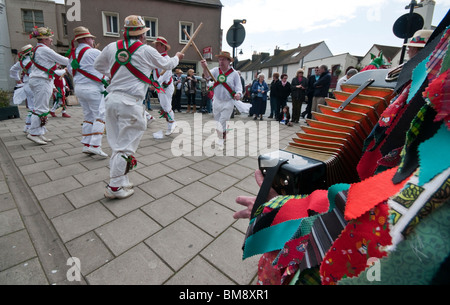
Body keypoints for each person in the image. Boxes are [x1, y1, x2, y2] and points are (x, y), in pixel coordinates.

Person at [94, 15, 183, 199]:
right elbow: (167, 64)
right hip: (130, 103)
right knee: (124, 147)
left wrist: (116, 74)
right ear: (142, 35)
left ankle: (122, 180)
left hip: (111, 101)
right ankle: (115, 187)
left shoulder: (112, 47)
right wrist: (177, 57)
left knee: (117, 144)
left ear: (125, 33)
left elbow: (97, 66)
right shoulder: (146, 50)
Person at [67, 26, 109, 158]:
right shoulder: (94, 52)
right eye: (91, 38)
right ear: (85, 38)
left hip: (79, 88)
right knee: (100, 115)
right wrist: (106, 78)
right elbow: (108, 68)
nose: (92, 40)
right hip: (93, 88)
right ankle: (95, 145)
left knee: (88, 116)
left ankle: (86, 144)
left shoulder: (72, 54)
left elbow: (69, 70)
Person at [27, 26, 69, 145]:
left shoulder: (37, 49)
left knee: (40, 106)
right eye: (50, 38)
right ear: (44, 39)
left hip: (40, 80)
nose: (51, 40)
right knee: (41, 108)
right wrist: (75, 59)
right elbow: (63, 60)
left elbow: (50, 68)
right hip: (41, 81)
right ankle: (33, 133)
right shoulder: (44, 50)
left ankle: (40, 132)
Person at [200, 51, 244, 150]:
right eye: (219, 59)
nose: (221, 61)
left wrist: (238, 94)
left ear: (229, 61)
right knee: (217, 121)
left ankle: (220, 140)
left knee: (222, 121)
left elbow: (239, 87)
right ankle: (224, 133)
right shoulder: (216, 70)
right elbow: (207, 76)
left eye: (223, 59)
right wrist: (204, 67)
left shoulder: (234, 74)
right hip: (217, 100)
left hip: (228, 101)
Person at [151, 36, 177, 136]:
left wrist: (157, 83)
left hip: (166, 86)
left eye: (157, 44)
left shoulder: (167, 59)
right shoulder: (156, 59)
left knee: (167, 106)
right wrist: (154, 82)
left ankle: (171, 124)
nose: (155, 46)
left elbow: (166, 74)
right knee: (164, 106)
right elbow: (154, 72)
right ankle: (171, 123)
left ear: (163, 47)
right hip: (160, 87)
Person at [10, 44, 35, 133]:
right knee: (36, 107)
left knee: (32, 106)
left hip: (26, 85)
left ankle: (28, 126)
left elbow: (12, 70)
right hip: (35, 85)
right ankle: (34, 128)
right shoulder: (35, 61)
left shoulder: (21, 62)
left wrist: (18, 80)